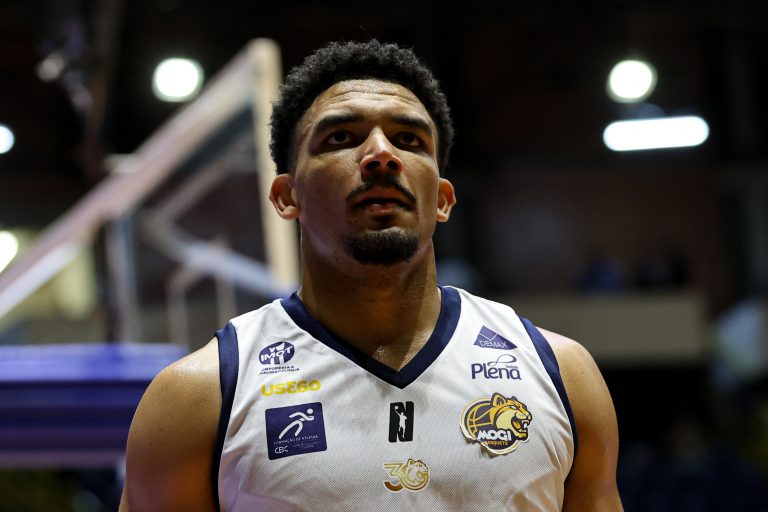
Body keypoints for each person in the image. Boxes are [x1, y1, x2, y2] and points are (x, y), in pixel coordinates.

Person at [119, 39, 623, 511]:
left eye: (409, 139)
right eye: (341, 137)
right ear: (287, 196)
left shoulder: (561, 374)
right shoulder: (198, 396)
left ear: (443, 199)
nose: (382, 155)